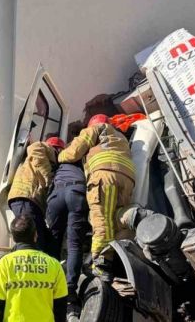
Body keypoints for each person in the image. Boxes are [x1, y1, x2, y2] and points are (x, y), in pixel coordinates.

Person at [58, 114, 135, 278]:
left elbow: (73, 153)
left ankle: (101, 264)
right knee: (119, 222)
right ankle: (120, 259)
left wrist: (59, 155)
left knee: (101, 219)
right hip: (127, 180)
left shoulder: (95, 129)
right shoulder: (121, 137)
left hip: (104, 176)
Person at [0, 215, 68, 322]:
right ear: (35, 235)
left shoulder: (4, 263)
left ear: (14, 237)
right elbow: (60, 306)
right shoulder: (55, 265)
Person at [45, 162, 89, 321]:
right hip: (76, 192)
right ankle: (70, 289)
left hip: (56, 195)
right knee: (74, 245)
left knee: (53, 242)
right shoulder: (83, 164)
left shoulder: (59, 165)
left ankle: (49, 283)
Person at [7, 136, 66, 252]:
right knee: (34, 240)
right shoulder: (47, 148)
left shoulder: (33, 161)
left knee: (43, 236)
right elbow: (35, 147)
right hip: (26, 197)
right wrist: (48, 177)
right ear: (58, 149)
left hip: (27, 200)